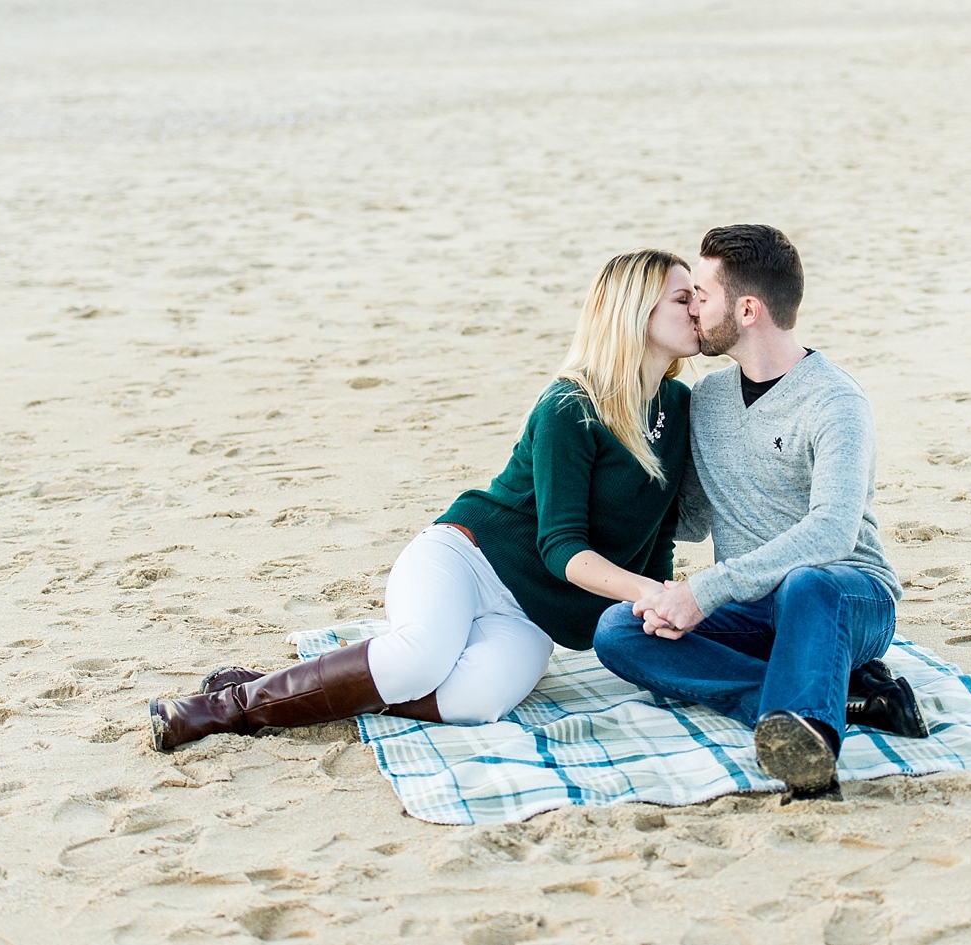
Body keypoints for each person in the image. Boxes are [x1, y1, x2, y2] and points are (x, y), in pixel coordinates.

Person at [150, 249, 701, 751]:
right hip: (469, 557)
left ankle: (278, 689)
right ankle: (222, 709)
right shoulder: (570, 405)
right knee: (418, 661)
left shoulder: (678, 408)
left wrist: (657, 613)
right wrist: (651, 594)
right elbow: (561, 547)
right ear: (636, 312)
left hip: (533, 614)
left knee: (477, 702)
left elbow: (658, 534)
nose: (698, 308)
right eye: (683, 298)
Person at [594, 224, 923, 801]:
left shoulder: (835, 401)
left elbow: (832, 532)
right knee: (622, 628)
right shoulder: (709, 399)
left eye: (701, 294)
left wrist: (703, 590)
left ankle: (810, 753)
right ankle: (834, 705)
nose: (692, 307)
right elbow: (691, 518)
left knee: (807, 583)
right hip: (751, 610)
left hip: (846, 598)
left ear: (746, 309)